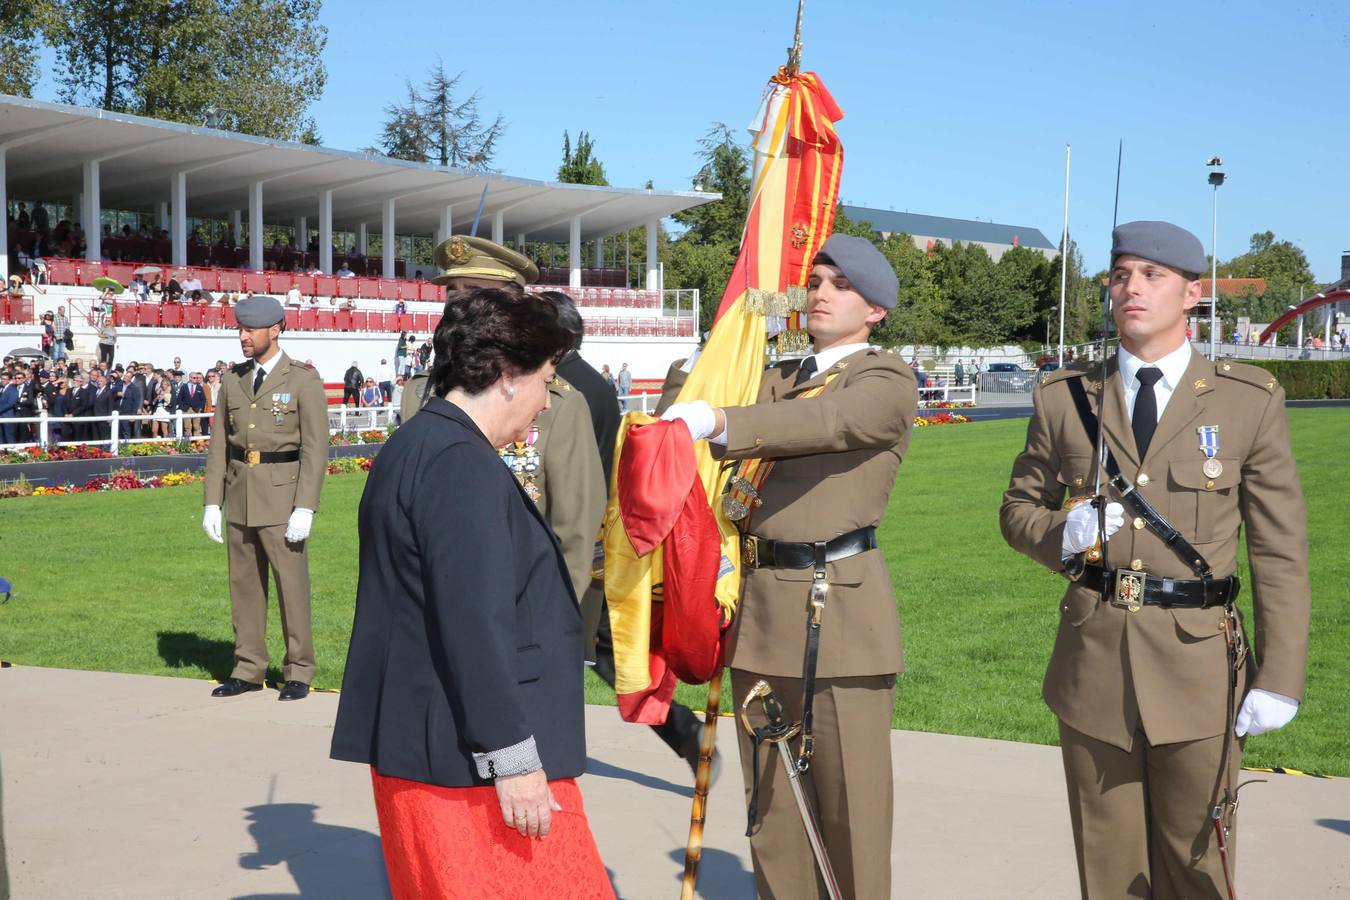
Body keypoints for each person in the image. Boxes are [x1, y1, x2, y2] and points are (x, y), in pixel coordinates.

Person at [1000, 220, 1311, 899]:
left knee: (1197, 865)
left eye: (1151, 275)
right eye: (1119, 275)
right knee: (1107, 870)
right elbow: (1016, 512)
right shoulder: (1065, 399)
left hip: (1198, 667)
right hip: (1094, 667)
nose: (1130, 288)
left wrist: (1281, 675)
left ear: (1192, 293)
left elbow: (1280, 548)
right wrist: (1063, 533)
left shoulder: (1246, 400)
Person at [330, 286, 613, 899]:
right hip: (472, 764)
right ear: (509, 376)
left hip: (432, 747)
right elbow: (474, 627)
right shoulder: (461, 464)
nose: (545, 404)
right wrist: (512, 759)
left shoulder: (418, 443)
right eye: (546, 381)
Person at [661, 233, 918, 898]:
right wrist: (725, 342)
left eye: (841, 285)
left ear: (876, 312)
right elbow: (678, 411)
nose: (821, 293)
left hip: (838, 617)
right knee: (772, 816)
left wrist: (720, 417)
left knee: (850, 811)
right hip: (761, 614)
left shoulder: (884, 378)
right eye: (817, 281)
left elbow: (827, 424)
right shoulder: (773, 376)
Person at [202, 295, 328, 702]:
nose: (242, 336)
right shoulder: (233, 379)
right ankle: (248, 667)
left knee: (292, 588)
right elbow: (219, 445)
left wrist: (305, 506)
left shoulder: (302, 380)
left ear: (275, 330)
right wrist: (211, 502)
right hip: (240, 497)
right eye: (239, 329)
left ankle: (299, 670)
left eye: (250, 330)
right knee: (244, 589)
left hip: (282, 499)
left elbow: (315, 449)